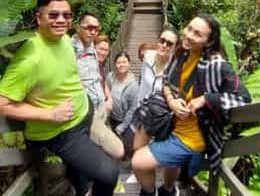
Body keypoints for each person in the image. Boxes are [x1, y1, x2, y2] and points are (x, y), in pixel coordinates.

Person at [0, 0, 120, 196]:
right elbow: (0, 105)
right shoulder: (29, 59)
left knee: (79, 170)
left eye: (66, 15)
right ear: (39, 18)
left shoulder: (65, 40)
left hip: (83, 114)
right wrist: (50, 114)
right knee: (110, 174)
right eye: (53, 15)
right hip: (62, 132)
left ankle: (81, 190)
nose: (61, 20)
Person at [131, 15, 251, 196]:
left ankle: (149, 192)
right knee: (167, 163)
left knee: (138, 162)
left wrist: (205, 99)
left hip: (193, 137)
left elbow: (243, 98)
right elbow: (165, 81)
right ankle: (168, 190)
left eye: (197, 34)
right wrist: (172, 101)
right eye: (189, 29)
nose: (189, 35)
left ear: (209, 41)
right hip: (173, 122)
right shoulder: (181, 54)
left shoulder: (216, 66)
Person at [71, 14, 124, 161]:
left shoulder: (91, 48)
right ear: (79, 27)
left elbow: (97, 78)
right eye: (89, 28)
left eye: (96, 28)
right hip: (87, 112)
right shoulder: (70, 49)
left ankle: (96, 180)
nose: (93, 32)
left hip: (101, 108)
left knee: (98, 150)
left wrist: (108, 99)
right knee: (117, 150)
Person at [131, 29, 178, 154]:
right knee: (138, 148)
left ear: (174, 47)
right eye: (162, 41)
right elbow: (142, 84)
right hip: (144, 110)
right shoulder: (147, 57)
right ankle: (137, 172)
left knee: (156, 152)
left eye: (169, 43)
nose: (164, 45)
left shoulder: (176, 67)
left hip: (160, 116)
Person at [107, 52, 139, 157]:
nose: (121, 65)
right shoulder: (110, 77)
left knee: (129, 146)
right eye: (118, 62)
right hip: (112, 117)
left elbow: (133, 109)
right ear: (115, 64)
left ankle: (132, 166)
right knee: (115, 143)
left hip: (127, 120)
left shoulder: (133, 85)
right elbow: (106, 92)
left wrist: (123, 126)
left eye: (124, 62)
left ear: (129, 64)